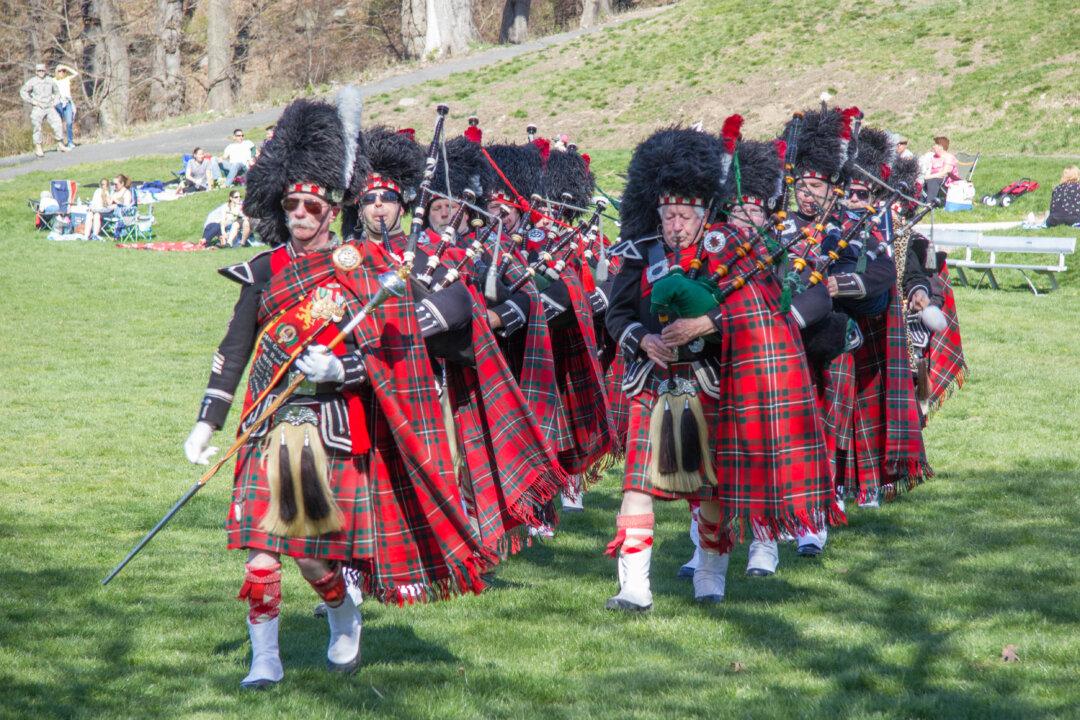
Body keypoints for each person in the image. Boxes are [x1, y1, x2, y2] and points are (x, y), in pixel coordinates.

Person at [182, 90, 491, 689]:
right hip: (267, 419)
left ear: (330, 209)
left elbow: (393, 350)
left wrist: (340, 370)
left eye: (309, 204)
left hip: (329, 426)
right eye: (290, 203)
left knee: (308, 552)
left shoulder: (364, 269)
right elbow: (235, 350)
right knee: (262, 551)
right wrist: (207, 421)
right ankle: (264, 660)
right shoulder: (265, 270)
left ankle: (341, 609)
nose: (298, 213)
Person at [603, 126, 836, 611]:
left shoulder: (729, 247)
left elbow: (764, 307)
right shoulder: (640, 251)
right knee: (636, 486)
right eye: (668, 215)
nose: (675, 225)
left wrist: (703, 324)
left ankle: (709, 572)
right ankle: (634, 588)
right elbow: (616, 314)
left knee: (711, 490)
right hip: (652, 382)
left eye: (684, 215)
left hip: (709, 380)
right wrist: (641, 339)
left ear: (706, 210)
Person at [19, 63, 66, 157]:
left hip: (49, 106)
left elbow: (57, 92)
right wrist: (32, 101)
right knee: (37, 127)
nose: (41, 72)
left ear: (45, 71)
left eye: (43, 70)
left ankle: (60, 143)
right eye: (39, 71)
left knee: (57, 123)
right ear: (36, 72)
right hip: (38, 107)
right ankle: (38, 147)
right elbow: (23, 91)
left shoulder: (50, 80)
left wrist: (55, 102)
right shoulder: (32, 81)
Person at [921, 136, 958, 205]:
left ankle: (929, 204)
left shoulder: (949, 157)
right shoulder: (934, 157)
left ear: (941, 147)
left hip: (947, 180)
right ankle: (916, 201)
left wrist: (929, 177)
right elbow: (929, 170)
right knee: (919, 179)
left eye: (935, 144)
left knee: (934, 180)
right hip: (933, 178)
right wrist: (926, 176)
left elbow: (945, 173)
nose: (933, 146)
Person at [53, 63, 79, 149]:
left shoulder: (67, 79)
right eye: (59, 71)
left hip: (67, 102)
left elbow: (76, 73)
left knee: (69, 122)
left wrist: (66, 67)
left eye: (63, 71)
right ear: (56, 72)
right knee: (58, 124)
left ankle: (70, 142)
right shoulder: (53, 80)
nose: (62, 72)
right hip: (58, 103)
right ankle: (60, 143)